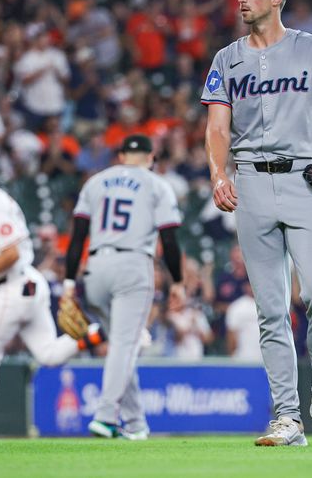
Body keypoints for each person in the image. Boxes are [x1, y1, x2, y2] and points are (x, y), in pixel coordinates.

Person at [203, 0, 312, 446]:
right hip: (251, 183)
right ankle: (287, 417)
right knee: (271, 309)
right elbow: (217, 127)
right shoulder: (225, 59)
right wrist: (219, 173)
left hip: (304, 181)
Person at [0, 149, 101, 441]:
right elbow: (4, 249)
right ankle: (100, 333)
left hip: (13, 285)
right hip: (29, 283)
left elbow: (10, 254)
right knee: (48, 355)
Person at [63, 134, 183, 441]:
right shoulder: (157, 184)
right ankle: (105, 417)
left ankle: (135, 422)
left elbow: (77, 235)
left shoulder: (95, 182)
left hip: (94, 268)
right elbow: (169, 239)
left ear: (121, 156)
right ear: (150, 157)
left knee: (120, 346)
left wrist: (67, 281)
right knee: (124, 346)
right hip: (132, 266)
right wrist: (178, 282)